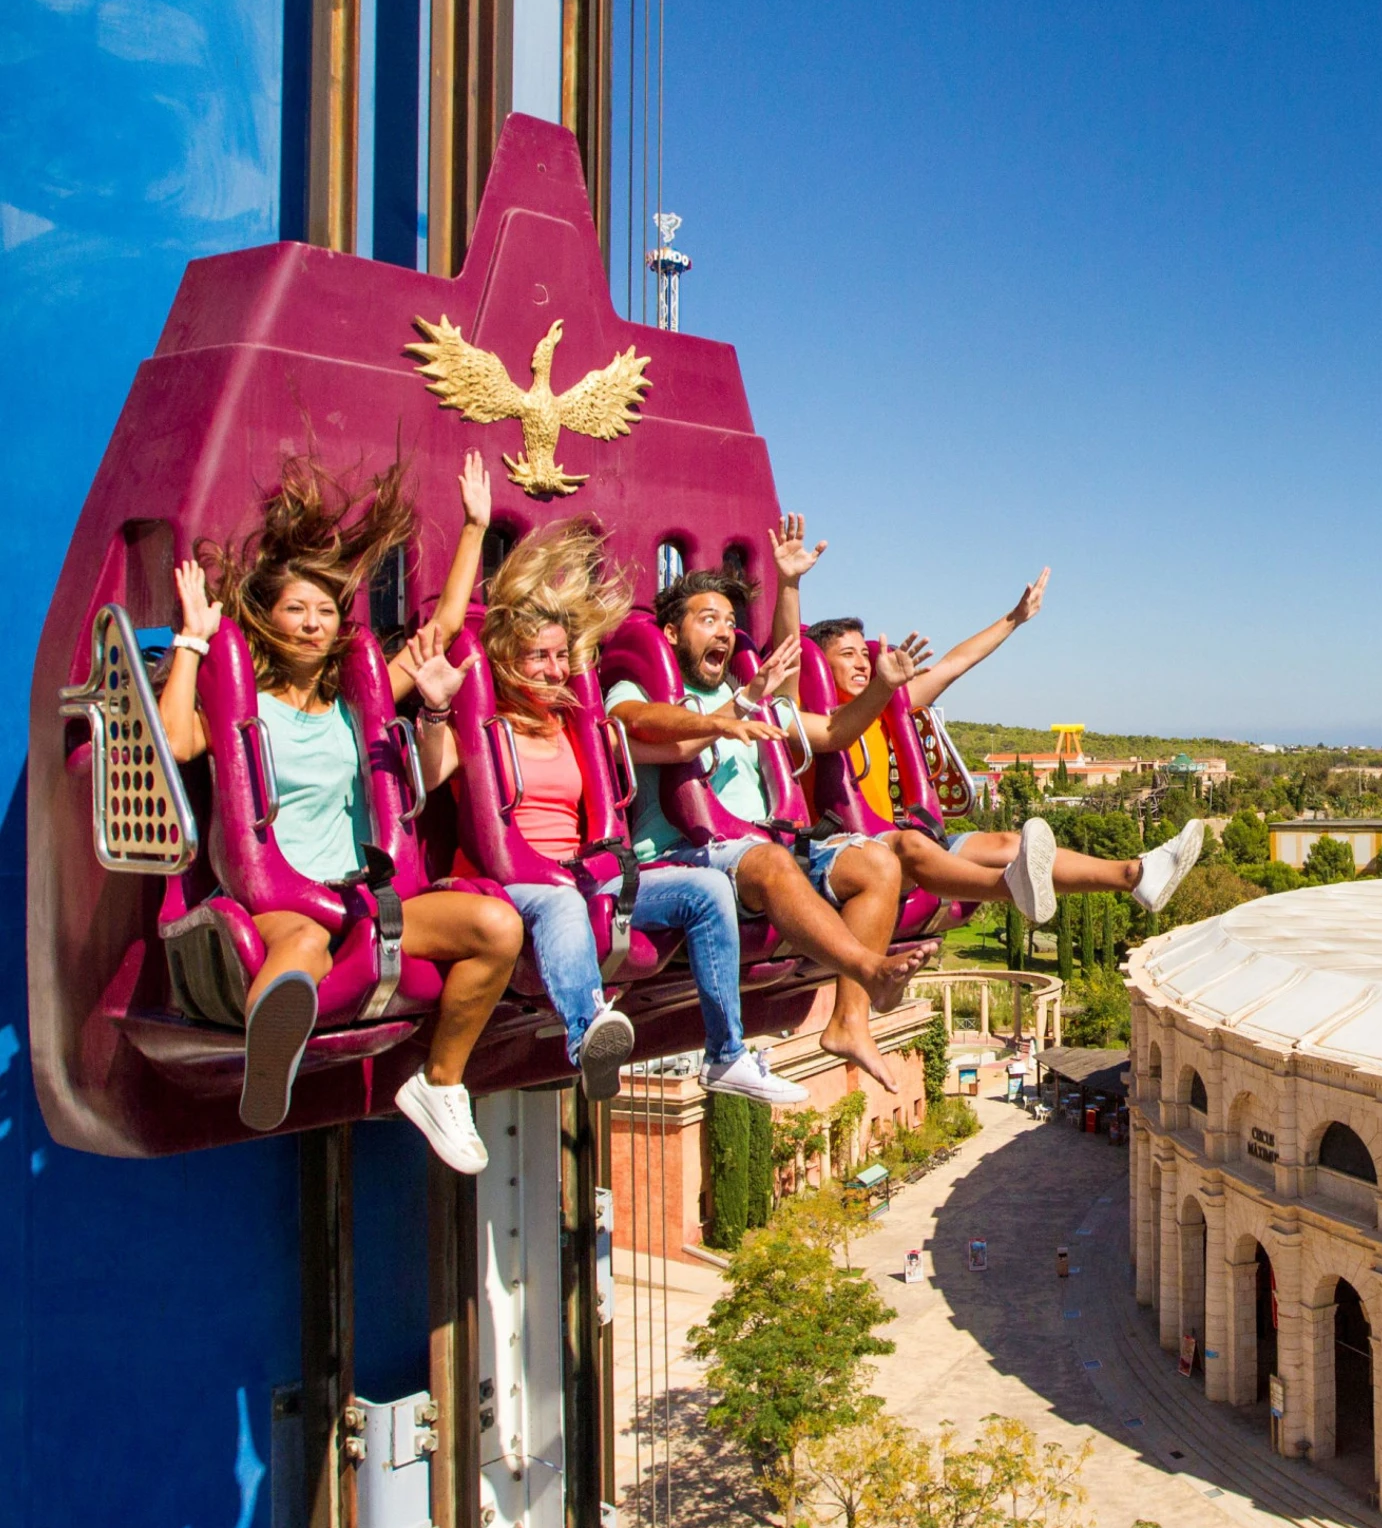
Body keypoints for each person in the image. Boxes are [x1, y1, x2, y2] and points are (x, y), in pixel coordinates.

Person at [158, 453, 523, 1172]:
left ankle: (440, 1083)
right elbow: (173, 741)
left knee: (497, 926)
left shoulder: (357, 705)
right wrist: (193, 640)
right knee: (301, 948)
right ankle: (271, 1064)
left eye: (325, 613)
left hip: (365, 896)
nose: (312, 624)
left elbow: (443, 629)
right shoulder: (245, 712)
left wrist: (475, 529)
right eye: (297, 609)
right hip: (285, 900)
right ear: (267, 619)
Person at [475, 519, 868, 1105]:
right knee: (566, 901)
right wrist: (727, 716)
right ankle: (588, 1034)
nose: (555, 670)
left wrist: (748, 691)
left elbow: (775, 701)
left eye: (561, 657)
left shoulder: (573, 723)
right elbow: (651, 726)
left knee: (710, 890)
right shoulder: (572, 710)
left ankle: (727, 1053)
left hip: (595, 871)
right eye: (539, 657)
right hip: (554, 878)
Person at [601, 522, 941, 1095]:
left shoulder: (749, 693)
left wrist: (881, 689)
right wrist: (729, 714)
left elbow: (833, 731)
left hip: (763, 848)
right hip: (685, 855)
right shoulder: (639, 688)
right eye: (708, 619)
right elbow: (641, 727)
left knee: (877, 864)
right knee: (768, 861)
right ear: (672, 632)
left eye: (729, 622)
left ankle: (849, 1022)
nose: (724, 631)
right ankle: (869, 968)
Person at [791, 556, 1207, 924]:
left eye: (864, 654)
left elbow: (954, 663)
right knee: (913, 844)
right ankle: (1010, 886)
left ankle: (1135, 874)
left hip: (896, 840)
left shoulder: (886, 705)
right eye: (847, 655)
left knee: (1009, 843)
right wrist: (789, 582)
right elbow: (789, 653)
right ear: (819, 667)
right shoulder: (805, 716)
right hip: (850, 853)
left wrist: (1015, 618)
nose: (862, 664)